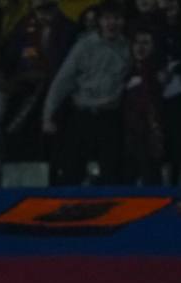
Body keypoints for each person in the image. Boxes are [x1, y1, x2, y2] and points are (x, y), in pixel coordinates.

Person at [41, 0, 130, 185]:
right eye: (107, 19)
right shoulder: (85, 45)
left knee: (112, 172)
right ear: (100, 21)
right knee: (72, 171)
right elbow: (63, 81)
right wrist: (48, 115)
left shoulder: (128, 47)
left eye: (117, 18)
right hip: (83, 115)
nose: (112, 23)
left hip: (110, 117)